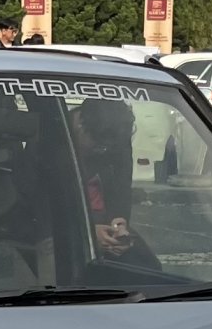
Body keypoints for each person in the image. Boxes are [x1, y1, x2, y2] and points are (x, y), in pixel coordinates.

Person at [69, 99, 161, 269]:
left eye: (109, 148)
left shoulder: (116, 134)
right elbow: (44, 207)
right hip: (62, 223)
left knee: (148, 267)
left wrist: (119, 222)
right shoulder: (53, 138)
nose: (104, 151)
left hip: (103, 219)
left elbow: (122, 184)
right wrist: (87, 232)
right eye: (99, 146)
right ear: (81, 127)